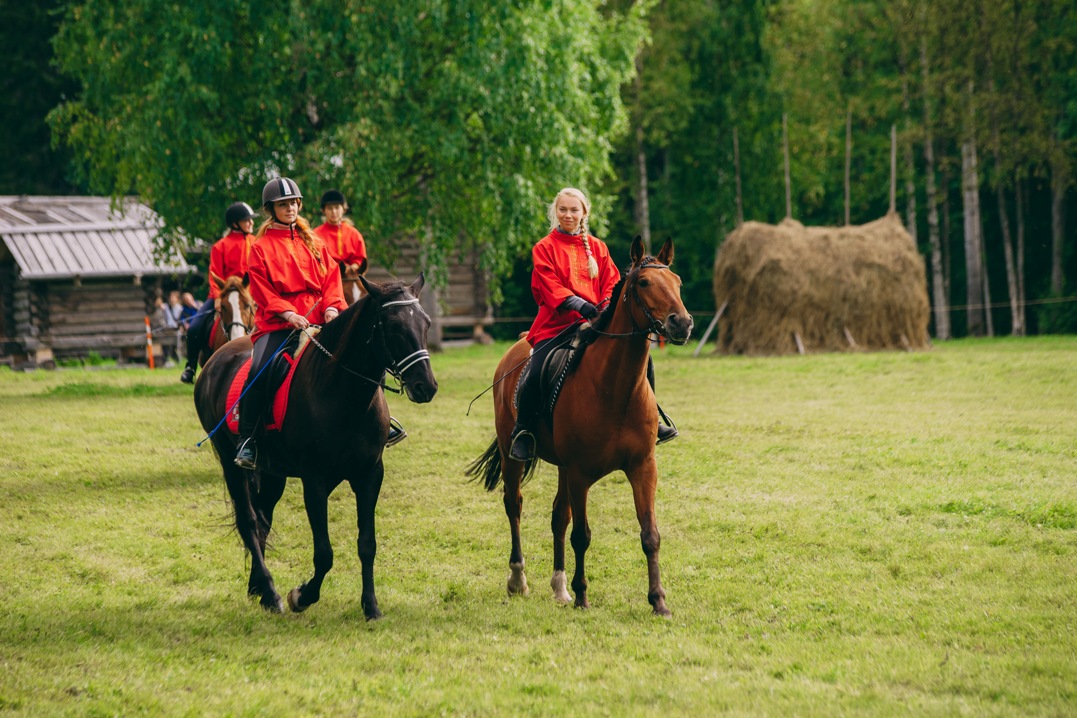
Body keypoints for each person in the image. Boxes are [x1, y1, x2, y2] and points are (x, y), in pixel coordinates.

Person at [508, 187, 677, 462]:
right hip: (556, 325)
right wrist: (578, 304)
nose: (568, 214)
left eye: (574, 210)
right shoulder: (544, 248)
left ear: (584, 213)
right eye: (562, 209)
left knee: (644, 361)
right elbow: (548, 285)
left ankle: (652, 418)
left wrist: (604, 309)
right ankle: (524, 429)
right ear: (555, 212)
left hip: (598, 323)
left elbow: (612, 282)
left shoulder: (598, 247)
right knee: (537, 367)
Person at [179, 201, 257, 384]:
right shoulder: (220, 246)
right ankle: (190, 367)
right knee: (196, 326)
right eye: (248, 220)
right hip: (224, 294)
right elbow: (214, 274)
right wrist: (216, 297)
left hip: (250, 295)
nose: (252, 223)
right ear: (235, 223)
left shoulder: (256, 243)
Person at [313, 189, 368, 273]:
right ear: (323, 211)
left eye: (337, 207)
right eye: (329, 208)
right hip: (326, 275)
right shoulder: (315, 235)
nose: (334, 212)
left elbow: (360, 258)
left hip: (351, 275)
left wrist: (354, 266)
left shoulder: (354, 234)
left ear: (344, 209)